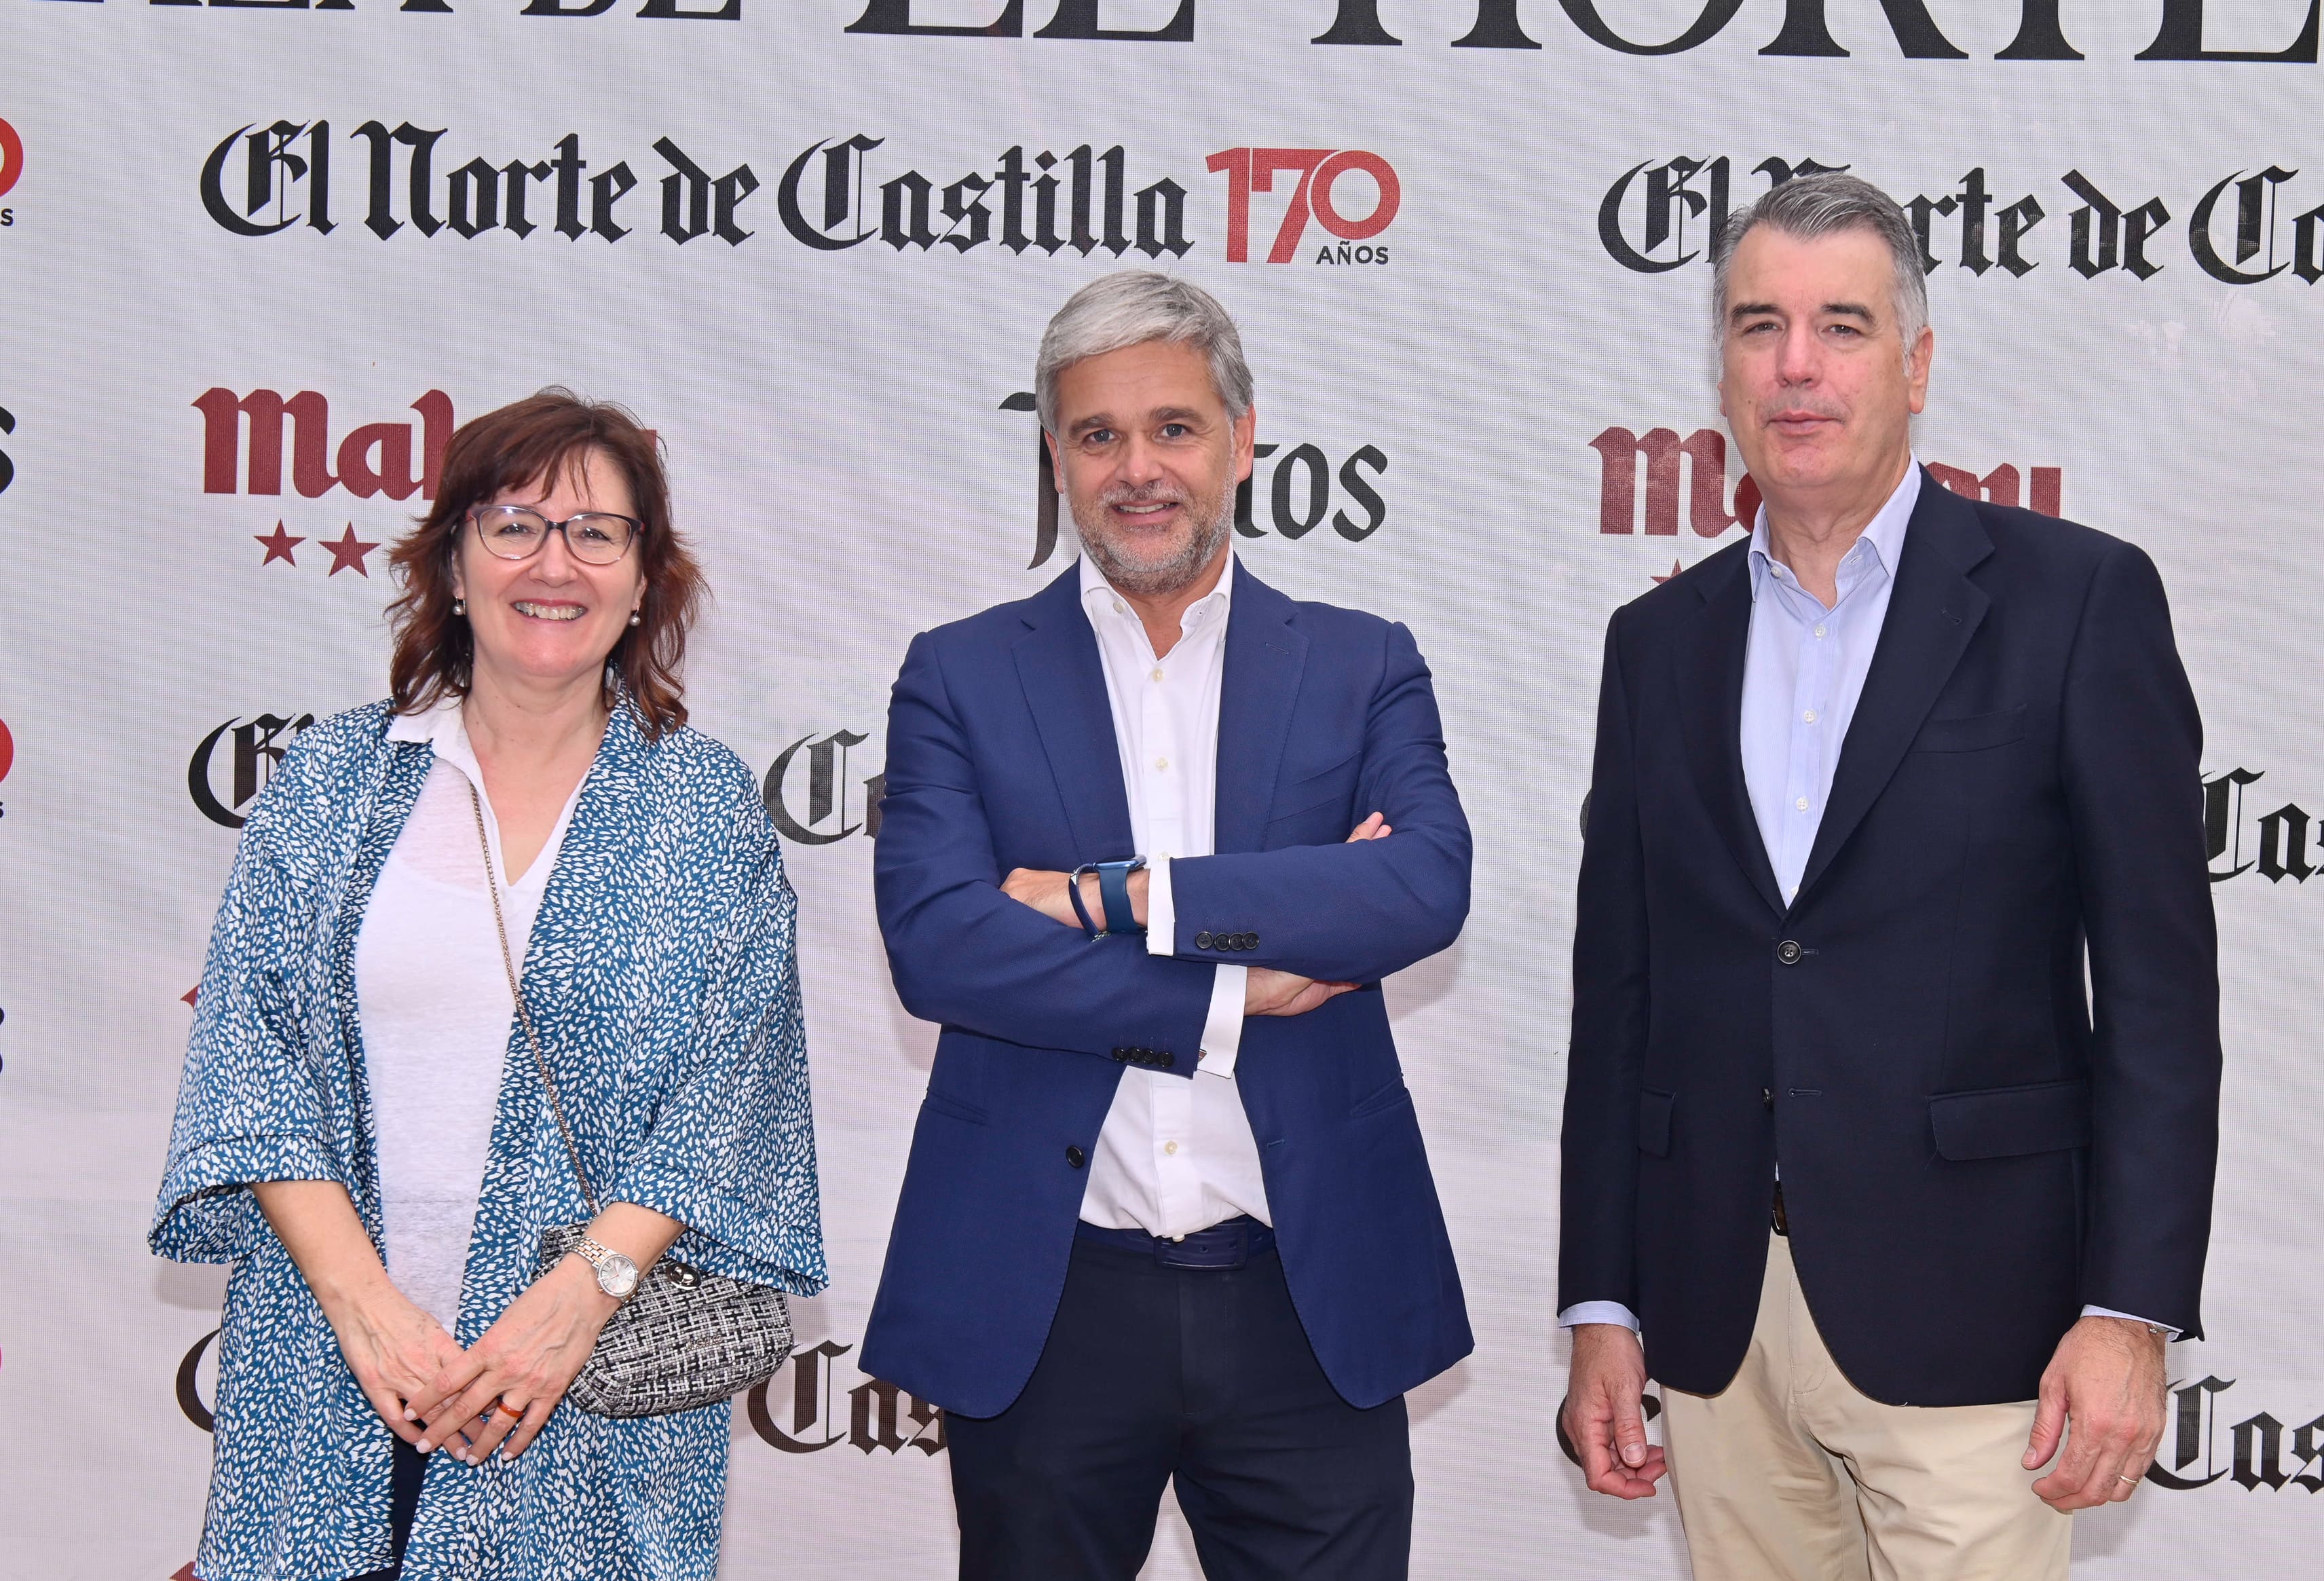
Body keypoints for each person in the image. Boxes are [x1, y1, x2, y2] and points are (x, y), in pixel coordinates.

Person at [1556, 172, 2220, 1580]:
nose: (1796, 365)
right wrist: (1602, 1299)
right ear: (1721, 369)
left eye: (1841, 325)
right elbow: (1617, 1004)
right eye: (1759, 326)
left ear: (1914, 366)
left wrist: (2130, 1313)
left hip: (1987, 1330)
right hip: (1719, 1322)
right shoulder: (1653, 646)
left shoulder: (2077, 602)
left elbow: (2160, 1000)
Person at [151, 390, 825, 1581]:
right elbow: (249, 1053)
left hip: (587, 1390)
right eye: (514, 524)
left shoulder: (705, 809)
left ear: (640, 579)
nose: (552, 563)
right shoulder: (334, 781)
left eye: (595, 533)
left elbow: (732, 1092)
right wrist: (364, 1305)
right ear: (454, 563)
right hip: (330, 1371)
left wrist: (580, 1296)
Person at [861, 270, 1473, 1580]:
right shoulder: (959, 674)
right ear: (1057, 456)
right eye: (1098, 436)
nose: (1138, 469)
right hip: (1050, 1293)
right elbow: (942, 944)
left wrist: (1119, 898)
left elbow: (1420, 886)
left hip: (1307, 1294)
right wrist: (1233, 991)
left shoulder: (1363, 663)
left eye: (1174, 429)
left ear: (1244, 440)